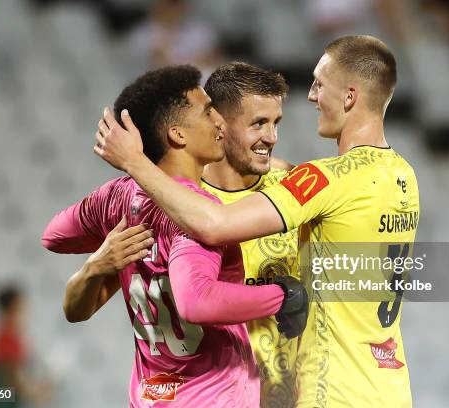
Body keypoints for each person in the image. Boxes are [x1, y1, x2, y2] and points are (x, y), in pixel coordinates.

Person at [95, 35, 420, 407]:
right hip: (389, 386)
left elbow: (214, 224)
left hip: (333, 390)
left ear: (349, 97)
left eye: (319, 85)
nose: (312, 96)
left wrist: (135, 163)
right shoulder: (402, 174)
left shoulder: (326, 178)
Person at [42, 65, 308, 407]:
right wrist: (283, 297)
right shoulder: (197, 212)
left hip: (154, 394)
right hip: (211, 397)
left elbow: (54, 236)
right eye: (208, 112)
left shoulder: (118, 197)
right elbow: (196, 300)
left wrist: (97, 264)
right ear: (178, 135)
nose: (219, 123)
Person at [201, 62, 299, 407]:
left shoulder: (293, 190)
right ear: (218, 124)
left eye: (276, 123)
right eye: (258, 123)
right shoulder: (181, 201)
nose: (271, 137)